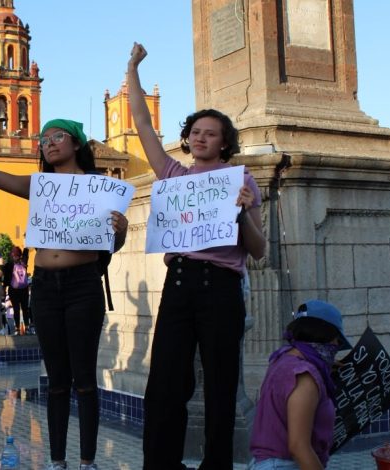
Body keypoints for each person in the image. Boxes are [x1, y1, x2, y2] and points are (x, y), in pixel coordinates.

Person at [0, 102, 129, 470]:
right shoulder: (40, 186)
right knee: (56, 379)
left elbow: (111, 246)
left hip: (84, 285)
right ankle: (57, 461)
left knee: (84, 378)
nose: (49, 143)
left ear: (76, 144)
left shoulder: (100, 187)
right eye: (44, 139)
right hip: (45, 288)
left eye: (58, 137)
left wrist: (118, 232)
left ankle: (87, 461)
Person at [127, 42, 267, 470]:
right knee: (165, 384)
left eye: (211, 132)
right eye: (195, 131)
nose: (201, 137)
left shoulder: (241, 180)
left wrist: (242, 214)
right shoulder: (174, 175)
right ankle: (163, 464)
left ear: (224, 143)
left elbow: (259, 251)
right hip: (181, 283)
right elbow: (143, 124)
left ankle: (217, 465)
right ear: (187, 138)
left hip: (221, 287)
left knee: (222, 386)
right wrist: (132, 68)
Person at [250, 301, 352, 470]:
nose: (336, 346)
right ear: (324, 334)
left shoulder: (282, 359)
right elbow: (299, 447)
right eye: (337, 340)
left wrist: (325, 366)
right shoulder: (304, 377)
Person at [4, 246, 31, 334]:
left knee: (25, 308)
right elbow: (6, 278)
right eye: (13, 254)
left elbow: (26, 253)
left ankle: (26, 327)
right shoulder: (10, 264)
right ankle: (18, 328)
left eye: (16, 254)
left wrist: (26, 243)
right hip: (14, 289)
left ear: (19, 255)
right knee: (16, 309)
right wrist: (4, 288)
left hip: (22, 289)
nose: (14, 256)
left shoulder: (23, 262)